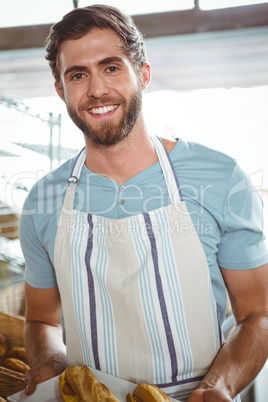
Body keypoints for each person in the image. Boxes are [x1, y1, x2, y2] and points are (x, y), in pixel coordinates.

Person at [19, 4, 268, 402]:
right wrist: (49, 363)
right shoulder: (43, 201)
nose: (97, 89)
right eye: (78, 75)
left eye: (112, 67)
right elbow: (40, 318)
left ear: (144, 74)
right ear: (60, 90)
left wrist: (219, 385)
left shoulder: (221, 179)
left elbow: (257, 314)